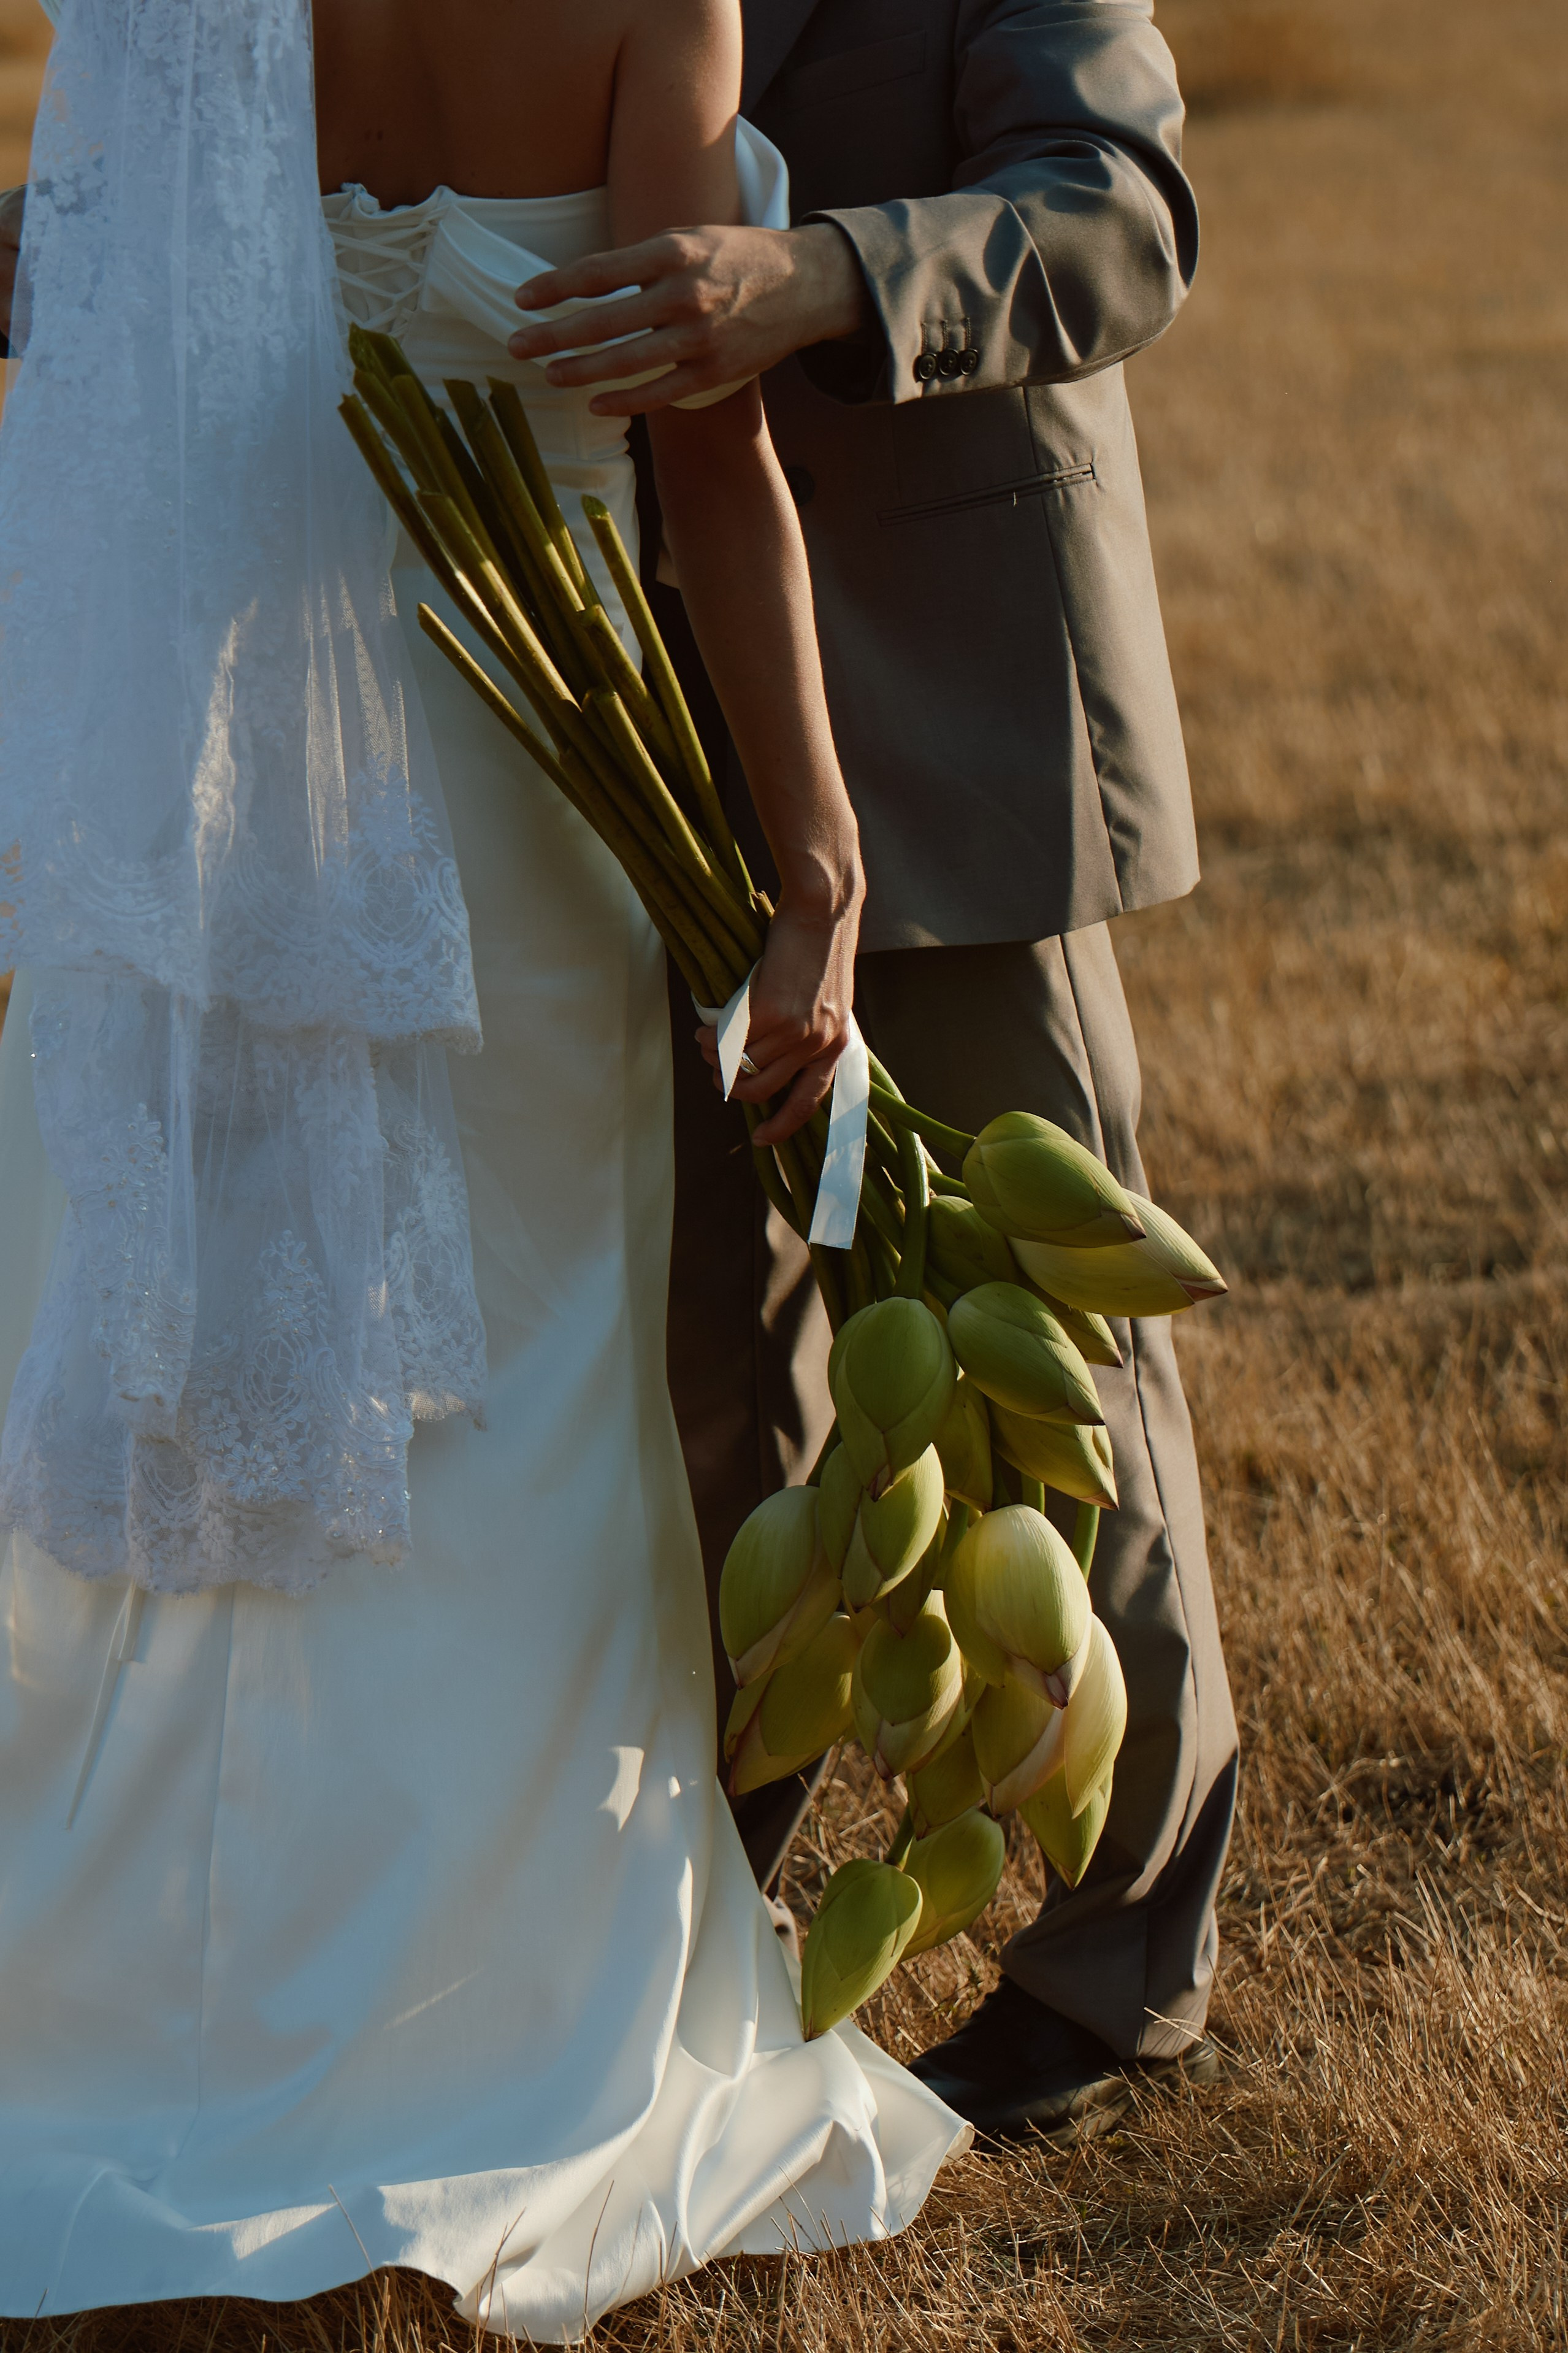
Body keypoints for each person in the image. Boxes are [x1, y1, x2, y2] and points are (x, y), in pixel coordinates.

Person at [0, 0, 963, 2336]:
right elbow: (709, 450)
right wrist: (817, 868)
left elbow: (83, 379)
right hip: (507, 793)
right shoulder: (654, 8)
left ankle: (116, 1994)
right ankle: (485, 2018)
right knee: (506, 1416)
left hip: (204, 788)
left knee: (177, 1371)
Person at [505, 0, 1241, 2144]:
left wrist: (818, 277)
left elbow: (1121, 214)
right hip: (645, 735)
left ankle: (1119, 1961)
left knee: (1053, 1368)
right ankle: (702, 1916)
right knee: (711, 1370)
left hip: (958, 732)